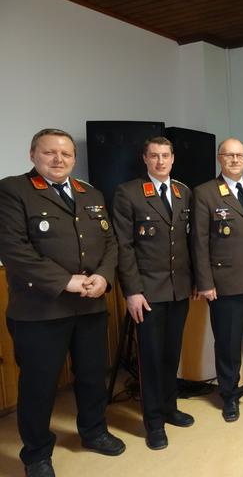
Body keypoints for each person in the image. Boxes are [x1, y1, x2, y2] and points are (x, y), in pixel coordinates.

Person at [0, 129, 125, 477]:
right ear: (32, 154)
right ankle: (37, 454)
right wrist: (63, 281)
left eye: (66, 154)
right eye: (49, 153)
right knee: (39, 385)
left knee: (91, 376)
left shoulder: (91, 193)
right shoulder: (13, 190)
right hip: (41, 310)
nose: (58, 160)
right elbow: (13, 249)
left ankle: (94, 431)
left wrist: (103, 276)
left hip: (89, 305)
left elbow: (110, 242)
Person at [111, 137, 194, 450]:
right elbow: (124, 246)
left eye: (165, 156)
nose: (160, 162)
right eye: (154, 156)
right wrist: (131, 291)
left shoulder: (183, 191)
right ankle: (153, 421)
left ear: (173, 159)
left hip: (179, 289)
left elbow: (189, 242)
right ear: (144, 158)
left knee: (172, 353)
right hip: (147, 293)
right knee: (150, 357)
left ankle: (169, 407)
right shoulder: (128, 192)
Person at [191, 138, 243, 423]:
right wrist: (204, 282)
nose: (235, 160)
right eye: (229, 155)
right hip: (224, 283)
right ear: (220, 158)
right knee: (227, 343)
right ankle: (229, 394)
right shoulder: (205, 193)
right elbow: (199, 243)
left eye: (240, 155)